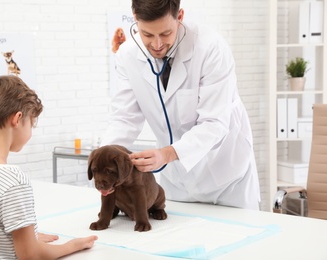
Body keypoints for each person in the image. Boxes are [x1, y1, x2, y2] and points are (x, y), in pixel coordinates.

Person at [101, 0, 261, 210]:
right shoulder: (127, 56)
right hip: (177, 181)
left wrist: (166, 154)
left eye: (166, 33)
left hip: (226, 179)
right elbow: (124, 118)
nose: (157, 44)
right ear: (135, 18)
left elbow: (214, 122)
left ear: (180, 17)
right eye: (147, 34)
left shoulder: (210, 48)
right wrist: (103, 160)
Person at [0, 75, 98, 259]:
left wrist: (28, 238)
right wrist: (72, 245)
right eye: (32, 123)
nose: (30, 131)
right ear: (18, 119)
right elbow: (31, 256)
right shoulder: (12, 180)